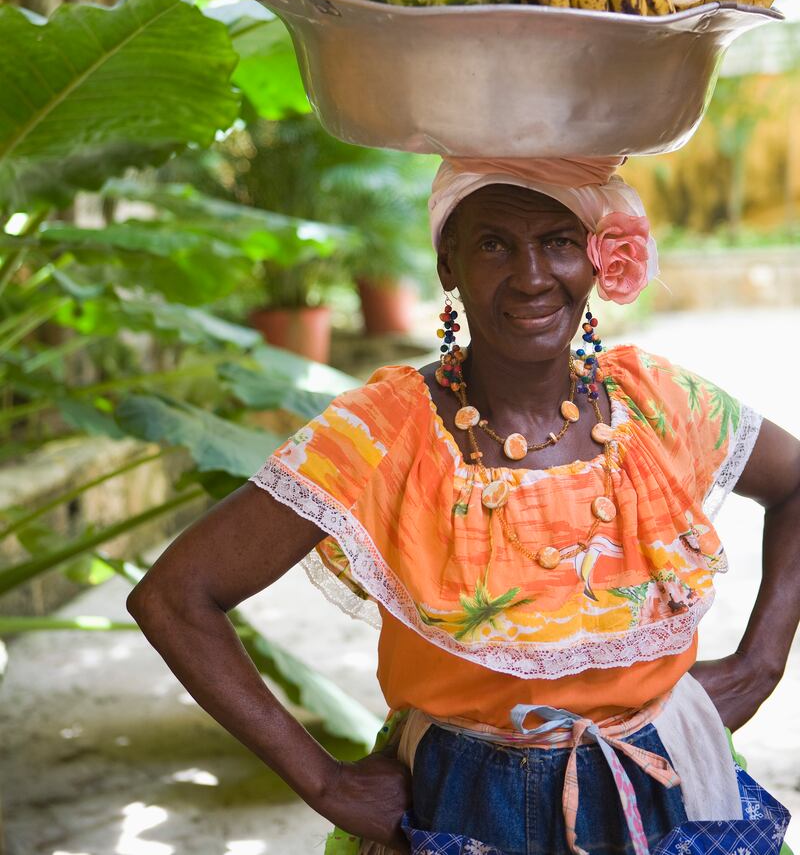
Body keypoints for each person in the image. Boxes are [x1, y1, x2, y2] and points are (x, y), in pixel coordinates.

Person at [128, 155, 800, 855]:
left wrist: (762, 662)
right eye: (492, 244)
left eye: (559, 242)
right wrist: (324, 782)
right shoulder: (386, 430)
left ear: (600, 256)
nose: (533, 275)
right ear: (447, 262)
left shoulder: (657, 401)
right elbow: (176, 594)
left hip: (675, 793)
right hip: (462, 804)